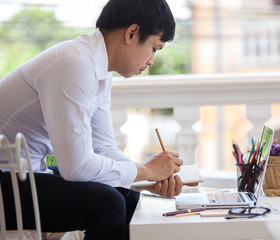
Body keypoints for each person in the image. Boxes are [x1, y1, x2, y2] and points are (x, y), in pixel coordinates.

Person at [0, 0, 193, 239]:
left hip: (24, 174)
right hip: (5, 179)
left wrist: (144, 179)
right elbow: (77, 168)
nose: (152, 60)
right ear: (132, 33)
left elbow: (103, 148)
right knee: (108, 203)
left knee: (125, 192)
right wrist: (144, 171)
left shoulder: (97, 68)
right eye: (155, 48)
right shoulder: (74, 64)